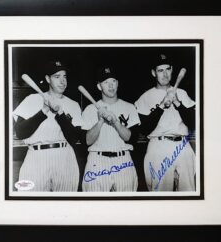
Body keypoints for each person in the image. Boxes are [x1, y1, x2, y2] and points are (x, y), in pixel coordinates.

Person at [13, 61, 82, 192]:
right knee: (32, 204)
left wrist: (60, 113)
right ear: (47, 79)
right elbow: (20, 132)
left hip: (65, 157)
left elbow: (73, 138)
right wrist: (43, 111)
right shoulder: (32, 99)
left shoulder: (73, 104)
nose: (62, 81)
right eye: (57, 77)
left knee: (65, 205)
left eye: (64, 76)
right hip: (36, 157)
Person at [135, 54, 196, 191]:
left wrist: (177, 102)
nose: (165, 74)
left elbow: (194, 123)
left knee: (189, 192)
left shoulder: (182, 93)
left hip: (182, 146)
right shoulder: (146, 96)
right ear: (153, 73)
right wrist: (162, 106)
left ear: (172, 70)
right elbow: (144, 129)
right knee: (161, 194)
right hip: (158, 146)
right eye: (160, 70)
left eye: (167, 69)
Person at [81, 66, 140, 192]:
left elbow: (131, 138)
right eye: (106, 82)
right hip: (97, 160)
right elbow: (87, 141)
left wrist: (116, 122)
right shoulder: (90, 109)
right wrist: (100, 122)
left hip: (123, 159)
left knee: (126, 206)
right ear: (99, 86)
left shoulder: (129, 107)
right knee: (95, 207)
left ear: (117, 83)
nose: (110, 85)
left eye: (113, 81)